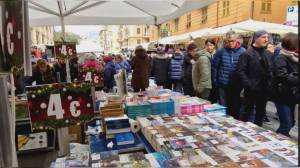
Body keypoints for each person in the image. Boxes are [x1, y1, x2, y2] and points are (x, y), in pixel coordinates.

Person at [237, 30, 273, 126]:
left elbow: (271, 70)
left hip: (264, 89)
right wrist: (249, 85)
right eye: (263, 37)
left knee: (260, 113)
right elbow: (240, 71)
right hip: (251, 89)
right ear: (256, 38)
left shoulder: (268, 53)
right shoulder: (246, 54)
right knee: (245, 112)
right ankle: (241, 130)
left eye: (267, 37)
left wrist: (270, 84)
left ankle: (258, 131)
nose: (266, 39)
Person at [212, 31, 246, 116]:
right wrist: (215, 80)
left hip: (236, 84)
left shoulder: (243, 51)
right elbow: (215, 67)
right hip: (223, 83)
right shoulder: (221, 51)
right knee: (223, 106)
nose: (231, 43)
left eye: (233, 41)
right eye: (228, 41)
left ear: (237, 40)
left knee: (235, 106)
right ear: (226, 41)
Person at [272, 33, 298, 136]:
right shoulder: (281, 58)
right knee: (286, 125)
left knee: (291, 123)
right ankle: (278, 142)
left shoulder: (295, 57)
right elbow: (281, 75)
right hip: (282, 95)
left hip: (292, 96)